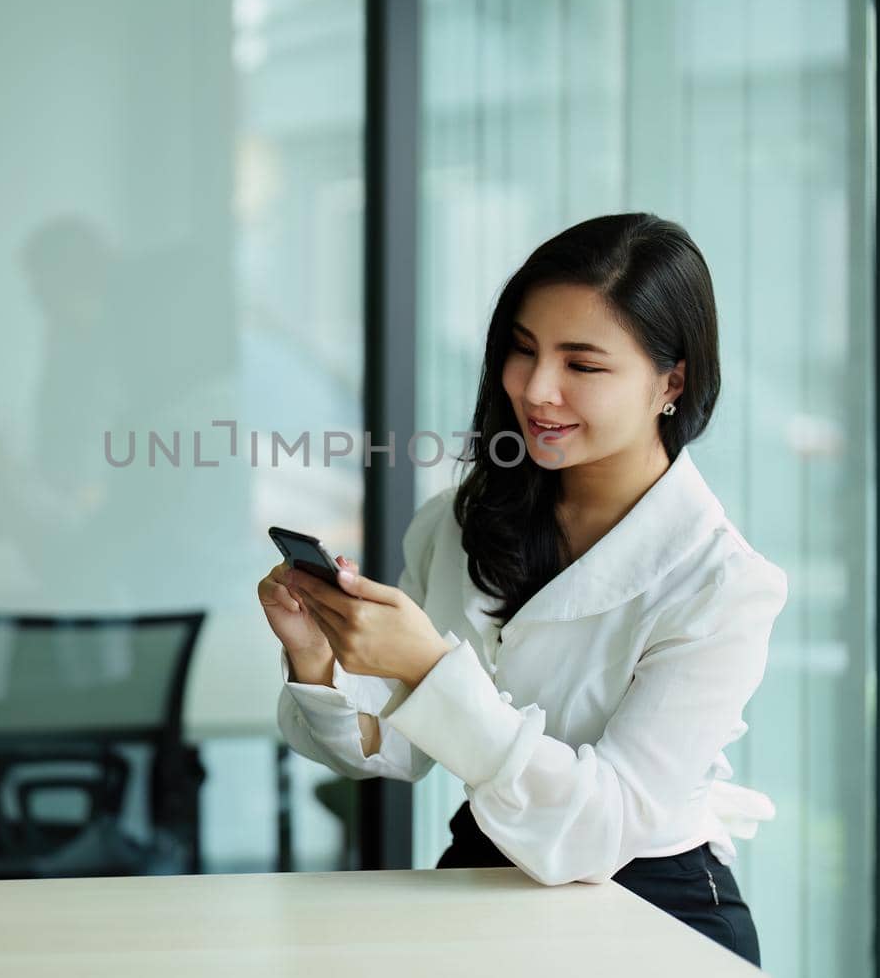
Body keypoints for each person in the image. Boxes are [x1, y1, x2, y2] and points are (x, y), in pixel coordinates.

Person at [257, 213, 785, 967]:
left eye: (583, 364)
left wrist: (430, 671)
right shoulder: (463, 520)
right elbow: (395, 748)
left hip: (656, 912)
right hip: (481, 884)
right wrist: (318, 661)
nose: (536, 389)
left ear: (673, 380)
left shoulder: (724, 586)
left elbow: (599, 829)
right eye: (523, 349)